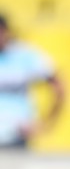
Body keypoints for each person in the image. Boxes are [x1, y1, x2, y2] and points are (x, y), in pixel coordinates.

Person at [0, 14, 65, 148]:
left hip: (16, 134)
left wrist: (47, 122)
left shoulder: (25, 55)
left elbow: (59, 87)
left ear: (7, 31)